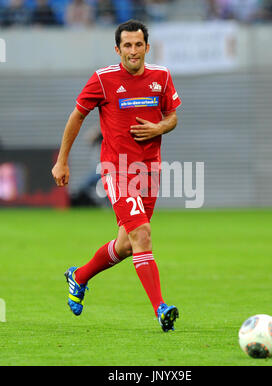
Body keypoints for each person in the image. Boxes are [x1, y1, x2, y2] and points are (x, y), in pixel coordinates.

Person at [52, 19, 181, 332]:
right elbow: (77, 116)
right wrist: (62, 161)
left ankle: (78, 276)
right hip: (117, 169)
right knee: (143, 235)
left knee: (126, 244)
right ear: (117, 48)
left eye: (138, 45)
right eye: (127, 45)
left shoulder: (161, 77)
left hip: (149, 170)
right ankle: (160, 308)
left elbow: (172, 116)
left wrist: (159, 127)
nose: (133, 51)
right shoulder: (103, 79)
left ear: (146, 47)